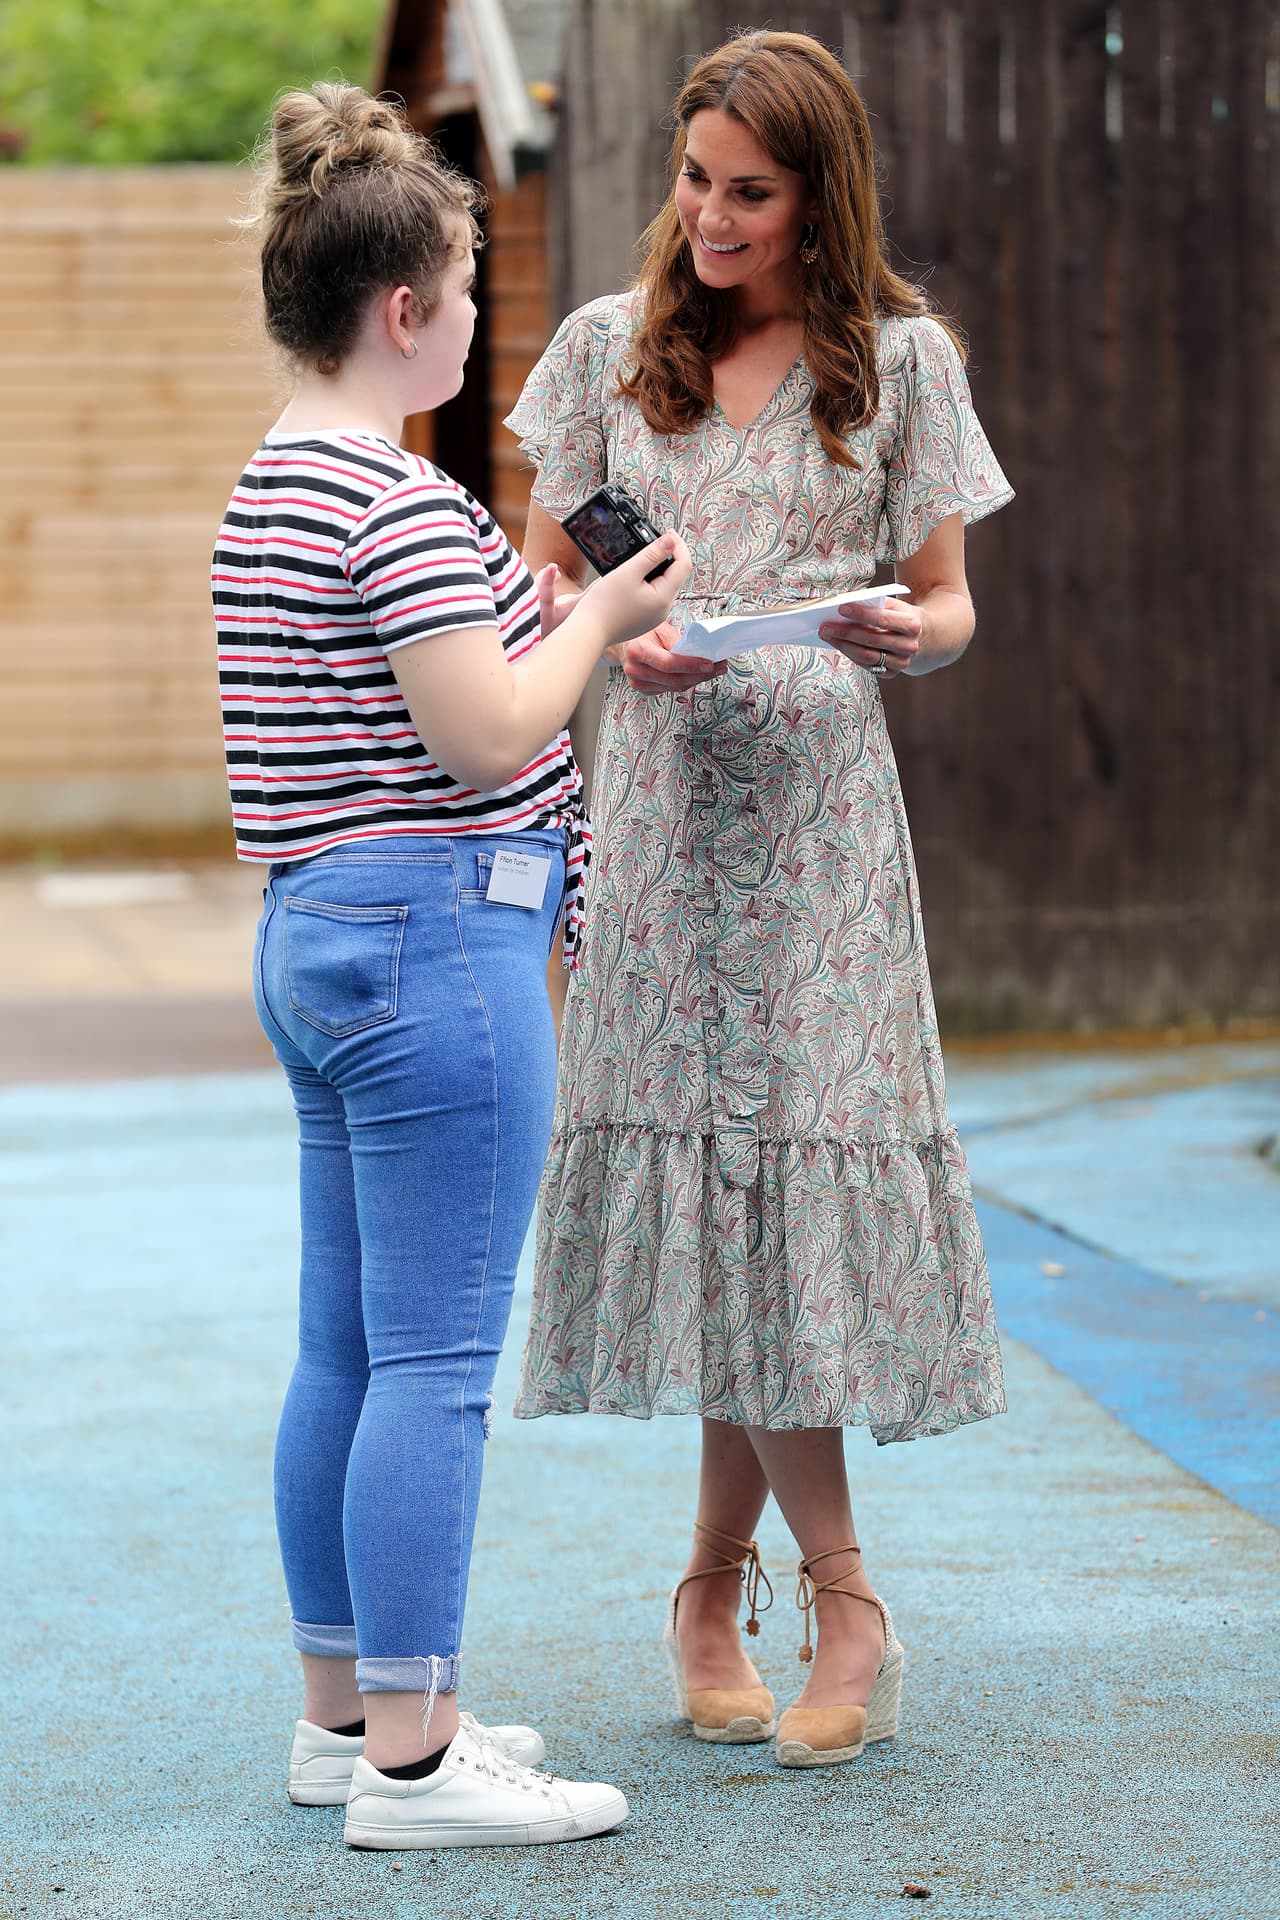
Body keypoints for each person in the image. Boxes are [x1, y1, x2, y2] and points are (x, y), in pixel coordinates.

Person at [506, 30, 1013, 1770]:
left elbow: (949, 605)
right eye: (695, 180)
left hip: (820, 841)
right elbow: (551, 552)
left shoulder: (904, 361)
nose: (710, 216)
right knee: (718, 1189)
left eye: (750, 192)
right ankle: (748, 1592)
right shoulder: (601, 350)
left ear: (820, 198)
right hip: (653, 820)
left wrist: (898, 630)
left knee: (786, 1181)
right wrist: (614, 633)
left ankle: (794, 1589)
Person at [212, 81, 689, 1847]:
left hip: (317, 941)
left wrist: (583, 622)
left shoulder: (273, 484)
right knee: (435, 1362)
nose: (482, 319)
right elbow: (490, 729)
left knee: (345, 1347)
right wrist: (610, 619)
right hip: (439, 939)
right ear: (404, 311)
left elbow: (451, 671)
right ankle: (416, 1760)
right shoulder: (400, 507)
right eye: (471, 293)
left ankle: (349, 1714)